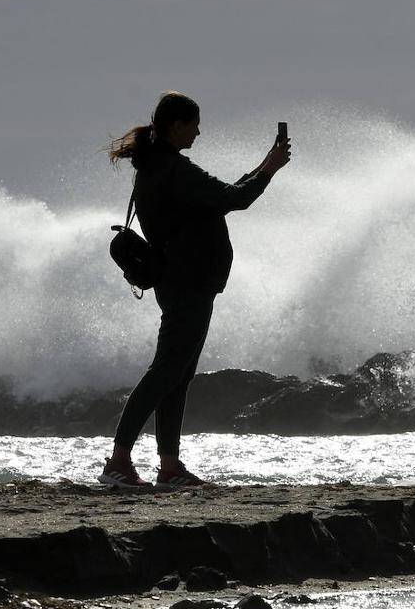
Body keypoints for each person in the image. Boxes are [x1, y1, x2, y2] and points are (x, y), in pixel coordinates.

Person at [101, 91, 291, 487]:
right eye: (194, 124)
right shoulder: (174, 170)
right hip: (188, 282)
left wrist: (265, 164)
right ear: (177, 126)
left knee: (177, 375)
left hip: (180, 281)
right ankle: (119, 462)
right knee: (166, 371)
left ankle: (169, 467)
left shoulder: (155, 167)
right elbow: (235, 199)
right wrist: (270, 169)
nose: (199, 132)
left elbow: (222, 197)